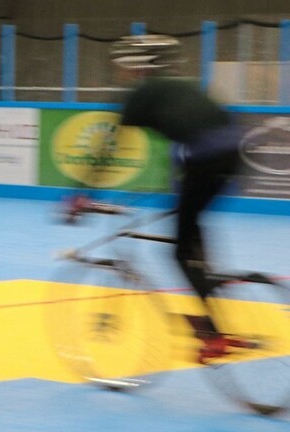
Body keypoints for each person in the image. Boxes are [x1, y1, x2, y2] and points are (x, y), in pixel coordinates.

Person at [96, 35, 246, 363]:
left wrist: (79, 195)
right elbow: (192, 132)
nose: (120, 74)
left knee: (179, 253)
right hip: (233, 157)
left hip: (203, 161)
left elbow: (107, 152)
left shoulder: (138, 94)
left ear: (132, 68)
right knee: (192, 236)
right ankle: (212, 312)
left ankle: (216, 336)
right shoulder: (182, 85)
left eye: (120, 67)